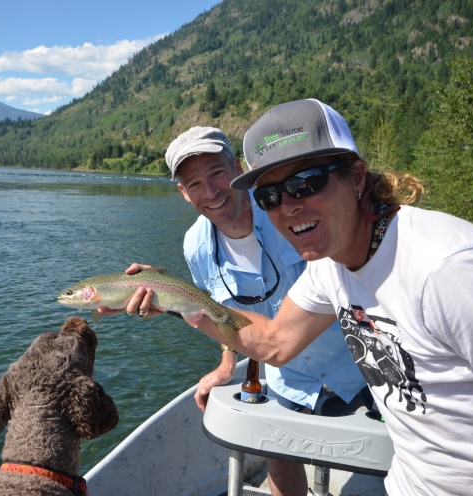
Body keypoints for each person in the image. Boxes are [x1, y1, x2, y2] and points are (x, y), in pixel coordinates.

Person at [114, 99, 473, 495]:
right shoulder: (329, 265)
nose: (288, 207)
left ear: (356, 176)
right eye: (270, 195)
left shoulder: (453, 270)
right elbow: (274, 342)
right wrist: (175, 301)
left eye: (305, 183)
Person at [138, 126, 368, 496]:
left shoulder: (286, 209)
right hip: (288, 375)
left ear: (238, 167)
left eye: (217, 174)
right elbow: (220, 311)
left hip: (357, 361)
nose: (211, 192)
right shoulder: (195, 245)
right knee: (277, 453)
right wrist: (226, 363)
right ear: (183, 193)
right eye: (194, 183)